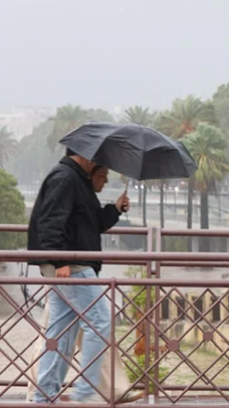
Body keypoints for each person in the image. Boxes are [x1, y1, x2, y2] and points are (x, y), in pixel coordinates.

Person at [27, 151, 129, 404]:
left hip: (72, 264)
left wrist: (115, 209)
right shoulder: (65, 178)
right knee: (100, 322)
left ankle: (44, 395)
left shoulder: (76, 180)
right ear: (83, 155)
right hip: (71, 266)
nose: (98, 164)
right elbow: (50, 221)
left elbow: (90, 224)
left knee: (62, 333)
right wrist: (60, 259)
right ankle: (85, 394)